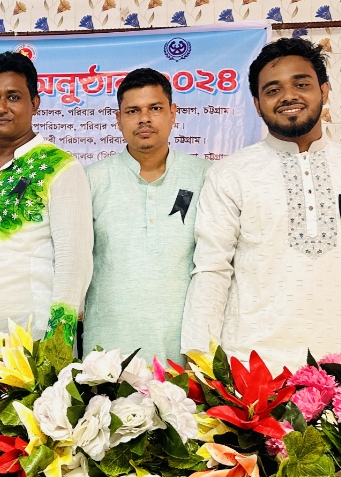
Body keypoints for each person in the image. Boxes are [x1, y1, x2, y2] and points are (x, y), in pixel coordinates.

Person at [180, 38, 341, 376]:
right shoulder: (231, 174)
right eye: (273, 90)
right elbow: (211, 268)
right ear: (257, 104)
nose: (288, 96)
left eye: (301, 84)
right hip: (252, 370)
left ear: (324, 91)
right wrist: (200, 357)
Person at [0, 51, 93, 366]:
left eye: (13, 97)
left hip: (34, 334)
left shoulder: (59, 166)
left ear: (34, 103)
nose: (0, 107)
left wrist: (59, 345)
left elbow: (74, 259)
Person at [82, 68, 211, 363]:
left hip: (184, 351)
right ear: (118, 119)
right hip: (106, 353)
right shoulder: (90, 180)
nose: (144, 119)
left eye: (155, 108)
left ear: (172, 113)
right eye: (133, 111)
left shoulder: (206, 176)